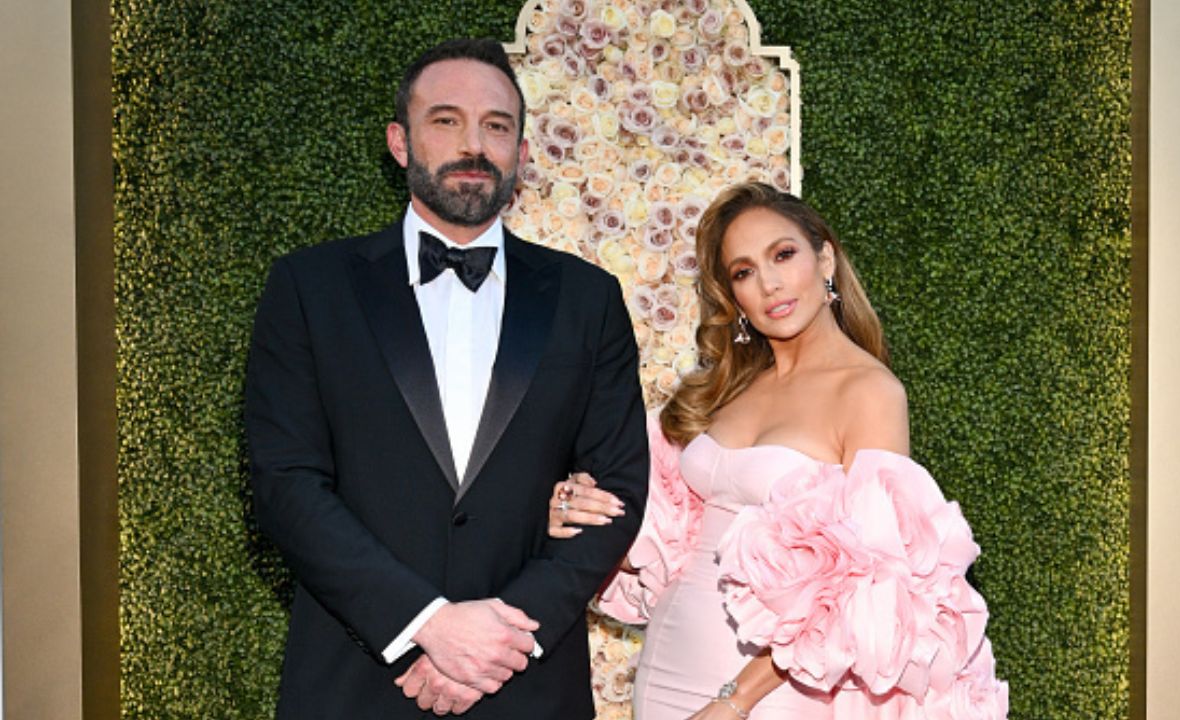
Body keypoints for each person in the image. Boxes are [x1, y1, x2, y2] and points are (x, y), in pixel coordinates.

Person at [245, 38, 648, 719]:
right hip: (355, 680)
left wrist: (499, 637)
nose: (474, 144)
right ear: (400, 142)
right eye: (445, 119)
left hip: (528, 685)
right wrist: (425, 624)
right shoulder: (309, 288)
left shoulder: (588, 298)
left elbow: (618, 491)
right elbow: (286, 484)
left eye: (497, 126)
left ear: (522, 153)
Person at [551, 183, 1008, 719]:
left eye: (783, 255)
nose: (768, 284)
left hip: (773, 691)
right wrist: (588, 512)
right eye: (743, 272)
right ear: (733, 295)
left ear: (826, 259)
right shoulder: (726, 388)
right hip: (670, 666)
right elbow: (671, 544)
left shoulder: (869, 392)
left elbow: (870, 585)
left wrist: (736, 699)